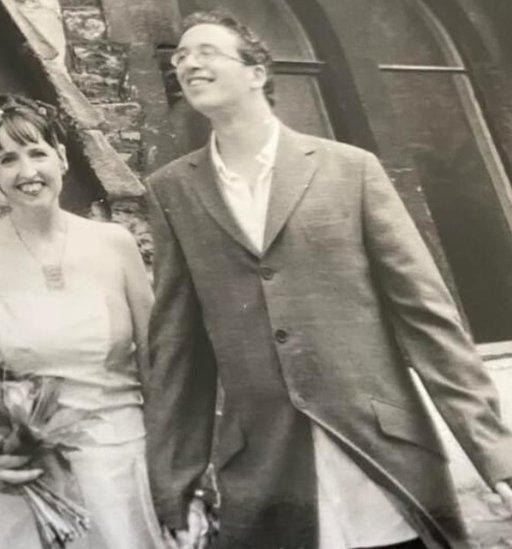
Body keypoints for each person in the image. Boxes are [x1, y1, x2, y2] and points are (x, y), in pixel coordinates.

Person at [144, 10, 512, 549]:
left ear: (256, 73)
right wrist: (176, 487)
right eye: (179, 56)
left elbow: (430, 324)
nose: (188, 62)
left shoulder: (351, 169)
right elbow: (179, 352)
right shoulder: (172, 191)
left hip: (382, 459)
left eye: (206, 51)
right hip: (268, 475)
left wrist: (496, 456)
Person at [0, 93, 166, 548]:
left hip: (121, 464)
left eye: (37, 153)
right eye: (7, 159)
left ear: (62, 158)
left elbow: (157, 363)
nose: (27, 172)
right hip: (30, 472)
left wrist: (177, 468)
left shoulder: (115, 244)